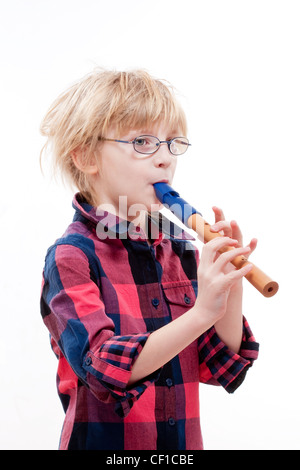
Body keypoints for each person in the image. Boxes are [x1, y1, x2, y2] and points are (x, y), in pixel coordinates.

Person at [40, 69, 259, 450]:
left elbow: (216, 363)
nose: (164, 160)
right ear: (87, 156)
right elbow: (104, 369)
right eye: (143, 141)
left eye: (171, 143)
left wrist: (229, 286)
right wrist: (202, 311)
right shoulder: (70, 257)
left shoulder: (177, 247)